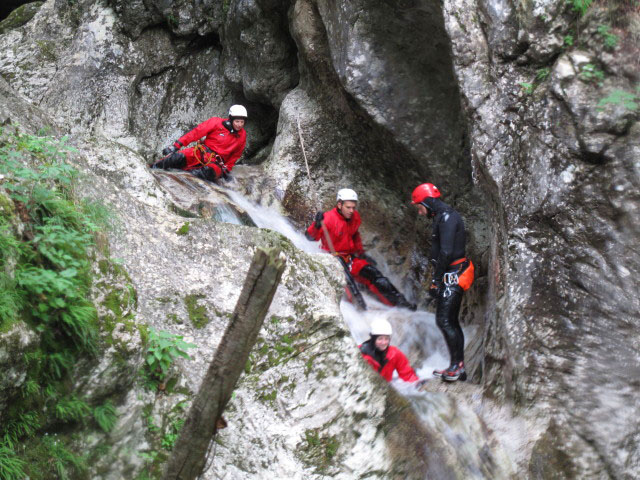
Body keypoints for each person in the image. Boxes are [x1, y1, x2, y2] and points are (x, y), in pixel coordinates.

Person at [305, 188, 416, 310]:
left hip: (351, 259)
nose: (352, 210)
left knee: (376, 275)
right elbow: (310, 237)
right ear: (339, 204)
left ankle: (401, 304)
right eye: (348, 207)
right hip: (333, 258)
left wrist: (361, 253)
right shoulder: (327, 219)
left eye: (353, 207)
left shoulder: (355, 217)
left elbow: (354, 236)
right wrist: (316, 224)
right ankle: (360, 309)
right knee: (348, 282)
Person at [412, 183, 474, 382]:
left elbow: (446, 251)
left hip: (455, 273)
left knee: (445, 320)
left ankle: (457, 366)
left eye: (419, 206)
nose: (420, 212)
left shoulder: (447, 217)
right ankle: (457, 366)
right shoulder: (441, 216)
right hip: (451, 272)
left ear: (427, 202)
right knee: (450, 321)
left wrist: (437, 280)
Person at [150, 104, 248, 182]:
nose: (239, 125)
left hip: (216, 163)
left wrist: (227, 169)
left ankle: (180, 178)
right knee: (177, 158)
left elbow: (235, 155)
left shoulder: (242, 135)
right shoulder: (216, 123)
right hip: (201, 152)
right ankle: (150, 169)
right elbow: (196, 133)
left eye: (242, 122)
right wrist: (176, 146)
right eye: (237, 121)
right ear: (231, 119)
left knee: (206, 173)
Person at [359, 318, 424, 384]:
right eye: (380, 339)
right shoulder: (360, 353)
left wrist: (416, 384)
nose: (383, 342)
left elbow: (407, 375)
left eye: (386, 339)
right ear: (373, 339)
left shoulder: (394, 353)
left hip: (385, 387)